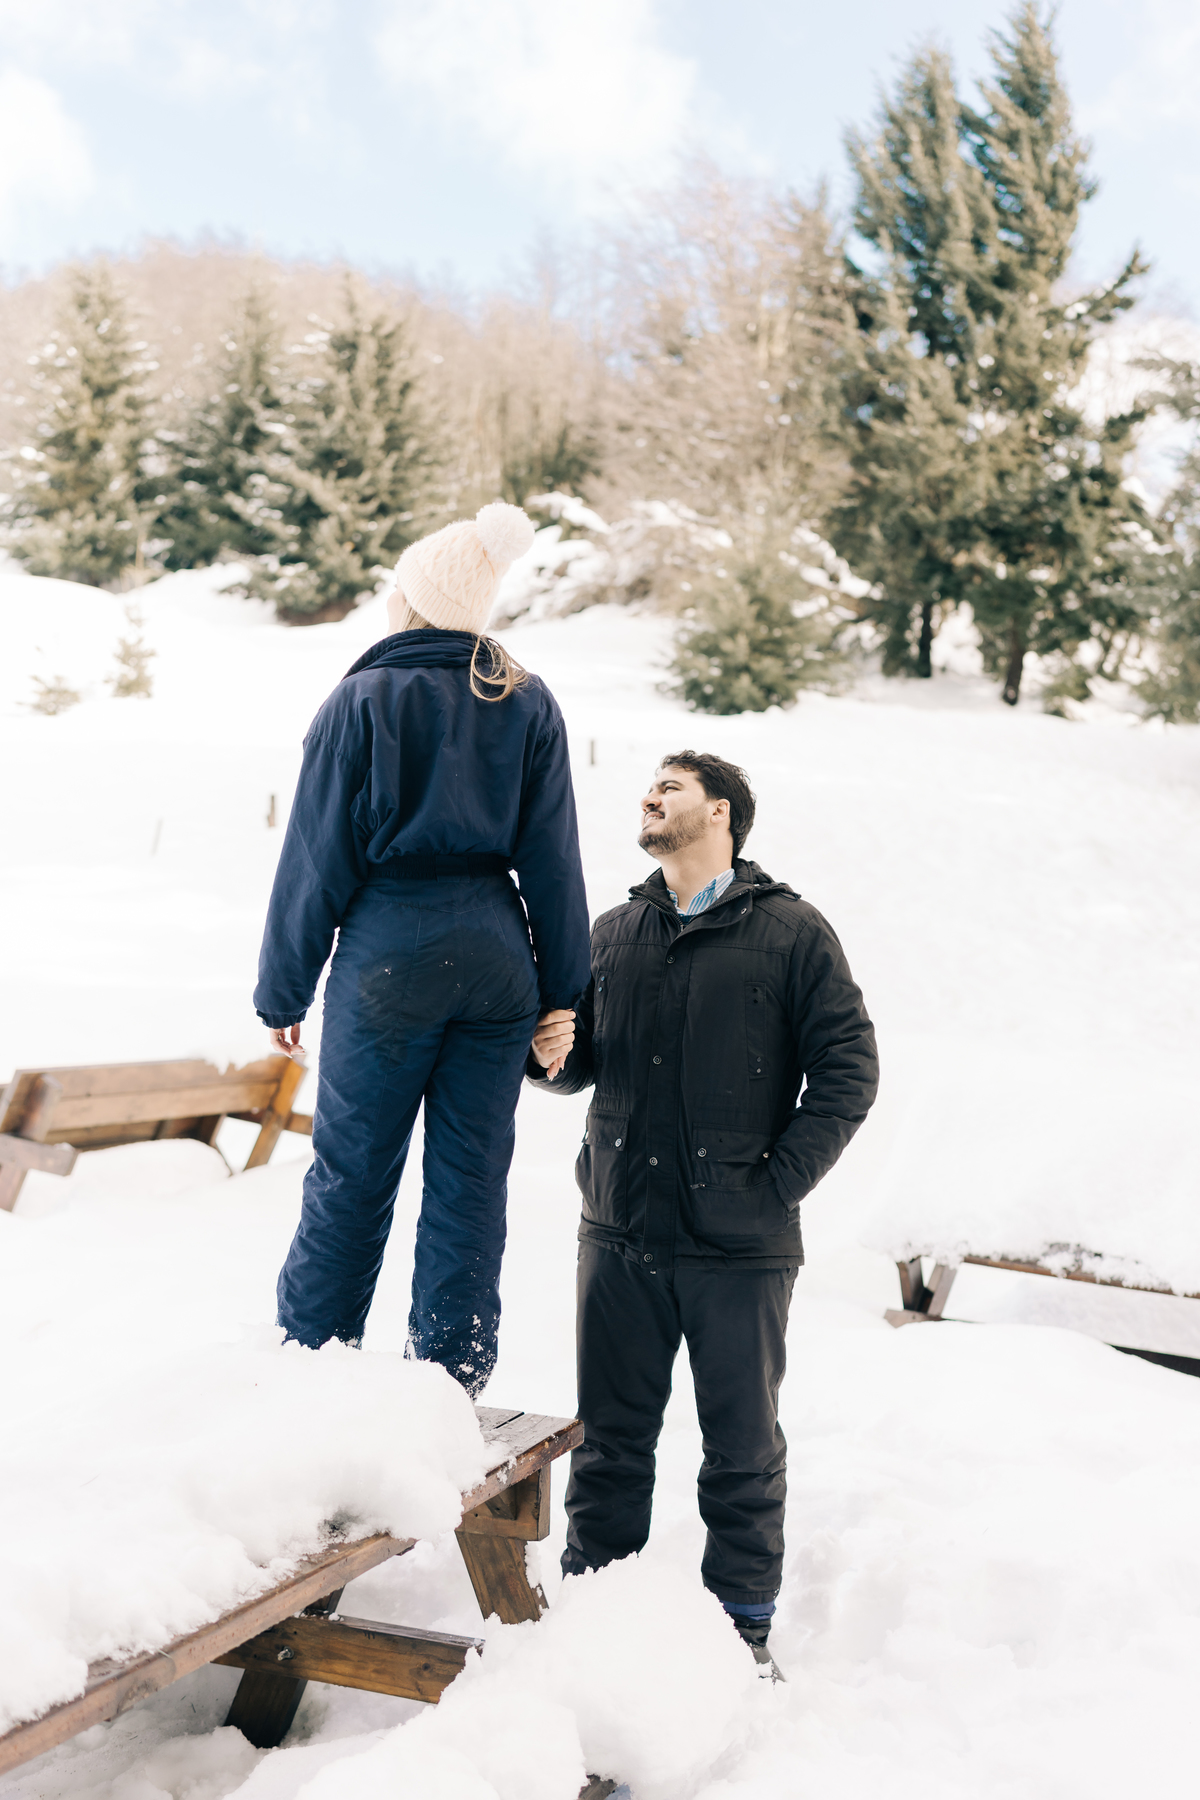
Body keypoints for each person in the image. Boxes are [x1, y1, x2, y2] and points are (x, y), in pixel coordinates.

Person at [528, 750, 878, 1676]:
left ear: (721, 812)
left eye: (670, 786)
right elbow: (576, 1062)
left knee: (742, 1451)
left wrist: (776, 1184)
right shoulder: (612, 931)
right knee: (607, 1444)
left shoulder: (792, 932)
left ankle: (740, 1637)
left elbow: (849, 1069)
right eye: (647, 787)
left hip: (742, 1249)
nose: (649, 795)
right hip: (619, 1234)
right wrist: (547, 1049)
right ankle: (595, 1623)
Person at [254, 502, 590, 1394]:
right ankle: (449, 1382)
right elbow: (554, 861)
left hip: (389, 952)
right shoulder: (527, 698)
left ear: (412, 601)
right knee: (470, 1183)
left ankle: (309, 1372)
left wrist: (282, 991)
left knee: (353, 1172)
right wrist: (563, 995)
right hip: (495, 954)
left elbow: (314, 857)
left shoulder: (360, 699)